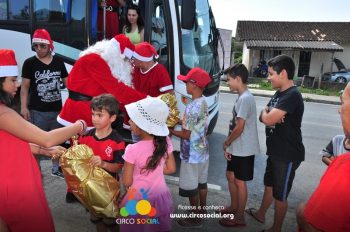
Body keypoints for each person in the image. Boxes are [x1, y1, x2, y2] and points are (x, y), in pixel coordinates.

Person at [0, 49, 87, 232]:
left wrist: (42, 151)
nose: (17, 85)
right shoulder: (3, 113)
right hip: (16, 185)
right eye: (12, 80)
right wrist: (79, 125)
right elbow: (47, 138)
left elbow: (8, 144)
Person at [58, 34, 147, 203]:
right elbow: (116, 88)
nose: (127, 63)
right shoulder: (95, 60)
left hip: (90, 110)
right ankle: (75, 190)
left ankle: (86, 187)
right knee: (78, 153)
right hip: (82, 112)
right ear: (117, 53)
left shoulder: (101, 59)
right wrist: (146, 99)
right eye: (125, 59)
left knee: (86, 153)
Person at [246, 55, 305, 232]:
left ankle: (276, 228)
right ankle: (261, 214)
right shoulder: (280, 93)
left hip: (287, 155)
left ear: (283, 73)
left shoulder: (293, 95)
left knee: (280, 194)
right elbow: (264, 115)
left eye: (271, 73)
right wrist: (268, 115)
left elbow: (268, 117)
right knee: (269, 184)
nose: (268, 77)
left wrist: (268, 116)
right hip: (275, 151)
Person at [120, 97, 176, 231]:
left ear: (141, 126)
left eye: (132, 119)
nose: (128, 121)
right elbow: (171, 168)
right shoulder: (165, 141)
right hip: (160, 197)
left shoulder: (132, 150)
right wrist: (153, 169)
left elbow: (127, 181)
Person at [20, 28, 68, 178]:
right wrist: (23, 107)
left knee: (57, 140)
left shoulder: (59, 62)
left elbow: (68, 83)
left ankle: (56, 168)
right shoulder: (29, 63)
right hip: (37, 111)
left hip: (57, 111)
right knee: (37, 142)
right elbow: (25, 87)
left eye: (43, 46)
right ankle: (36, 169)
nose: (39, 49)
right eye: (36, 46)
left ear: (50, 46)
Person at [296, 102, 350, 232]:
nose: (339, 111)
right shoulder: (338, 140)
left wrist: (337, 166)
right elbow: (325, 155)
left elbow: (309, 219)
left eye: (344, 102)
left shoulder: (344, 165)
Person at [218, 64, 260, 227]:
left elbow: (240, 127)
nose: (227, 83)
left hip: (244, 148)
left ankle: (240, 216)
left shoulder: (245, 98)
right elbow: (235, 124)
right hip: (237, 146)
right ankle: (234, 207)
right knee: (230, 176)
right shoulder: (242, 97)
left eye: (228, 80)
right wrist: (230, 146)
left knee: (240, 182)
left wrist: (227, 142)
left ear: (238, 79)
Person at [169, 68, 211, 228]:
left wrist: (170, 130)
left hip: (191, 153)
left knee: (190, 186)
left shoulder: (193, 106)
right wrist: (179, 121)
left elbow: (186, 135)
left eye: (186, 81)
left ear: (194, 85)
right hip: (202, 150)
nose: (185, 84)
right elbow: (194, 123)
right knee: (202, 182)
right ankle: (202, 210)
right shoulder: (203, 102)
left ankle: (195, 217)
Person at [78, 94, 125, 232]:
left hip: (109, 190)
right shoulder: (85, 136)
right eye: (93, 114)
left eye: (99, 115)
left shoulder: (117, 141)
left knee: (111, 220)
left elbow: (118, 167)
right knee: (96, 218)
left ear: (112, 118)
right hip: (91, 188)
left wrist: (103, 164)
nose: (94, 119)